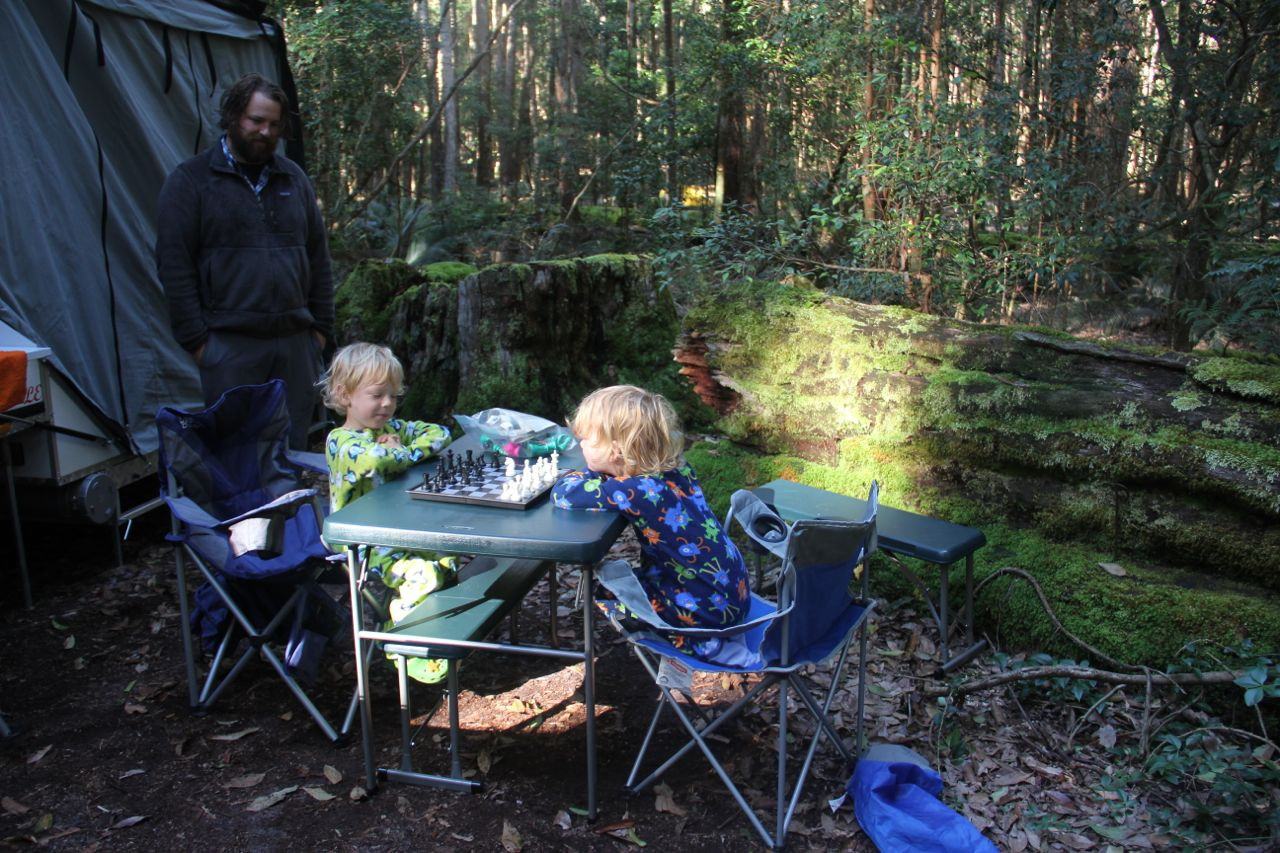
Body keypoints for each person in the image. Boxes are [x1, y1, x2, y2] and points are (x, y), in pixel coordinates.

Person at [155, 73, 333, 449]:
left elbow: (318, 256)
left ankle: (288, 511)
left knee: (291, 452)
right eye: (256, 120)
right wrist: (199, 343)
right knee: (235, 456)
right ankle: (244, 513)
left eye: (273, 124)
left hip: (294, 345)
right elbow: (174, 265)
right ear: (234, 116)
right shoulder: (192, 181)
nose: (265, 132)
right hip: (228, 347)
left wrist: (319, 332)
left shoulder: (293, 179)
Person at [551, 385, 751, 660]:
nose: (581, 444)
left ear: (616, 451)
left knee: (607, 591)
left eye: (588, 439)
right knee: (640, 574)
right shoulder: (677, 469)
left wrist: (587, 472)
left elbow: (565, 494)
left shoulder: (634, 491)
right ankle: (700, 630)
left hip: (704, 612)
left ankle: (695, 640)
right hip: (733, 593)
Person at [320, 342, 455, 683]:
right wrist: (402, 453)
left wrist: (402, 448)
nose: (387, 404)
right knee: (423, 574)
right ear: (344, 394)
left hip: (395, 529)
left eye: (393, 396)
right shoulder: (341, 440)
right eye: (377, 395)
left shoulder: (387, 431)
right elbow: (376, 459)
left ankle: (433, 633)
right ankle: (403, 644)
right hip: (359, 539)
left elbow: (441, 433)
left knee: (446, 560)